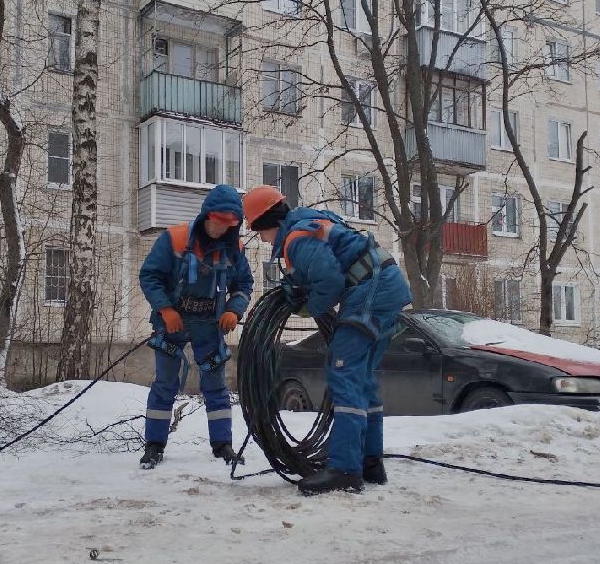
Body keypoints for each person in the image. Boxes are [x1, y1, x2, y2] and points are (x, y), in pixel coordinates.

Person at [242, 185, 411, 495]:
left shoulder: (295, 240)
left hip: (371, 292)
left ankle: (345, 469)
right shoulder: (310, 221)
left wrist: (311, 306)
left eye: (258, 231)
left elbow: (330, 282)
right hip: (386, 286)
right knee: (361, 378)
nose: (263, 240)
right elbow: (329, 262)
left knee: (343, 371)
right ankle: (369, 461)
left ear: (266, 224)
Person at [138, 184, 254, 469]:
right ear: (207, 216)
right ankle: (154, 445)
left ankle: (222, 445)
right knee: (165, 383)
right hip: (173, 322)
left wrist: (233, 310)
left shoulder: (234, 248)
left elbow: (244, 284)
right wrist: (165, 309)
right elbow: (150, 275)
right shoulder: (174, 239)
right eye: (219, 221)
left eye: (230, 224)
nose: (222, 229)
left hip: (209, 324)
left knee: (215, 385)